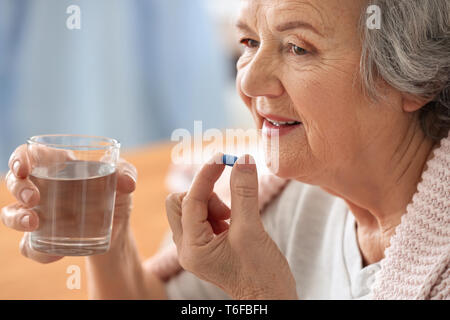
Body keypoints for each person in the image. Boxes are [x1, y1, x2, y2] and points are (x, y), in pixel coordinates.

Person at [2, 0, 449, 299]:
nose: (249, 82)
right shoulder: (287, 195)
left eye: (298, 48)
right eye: (250, 42)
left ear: (414, 79)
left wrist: (260, 300)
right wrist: (109, 236)